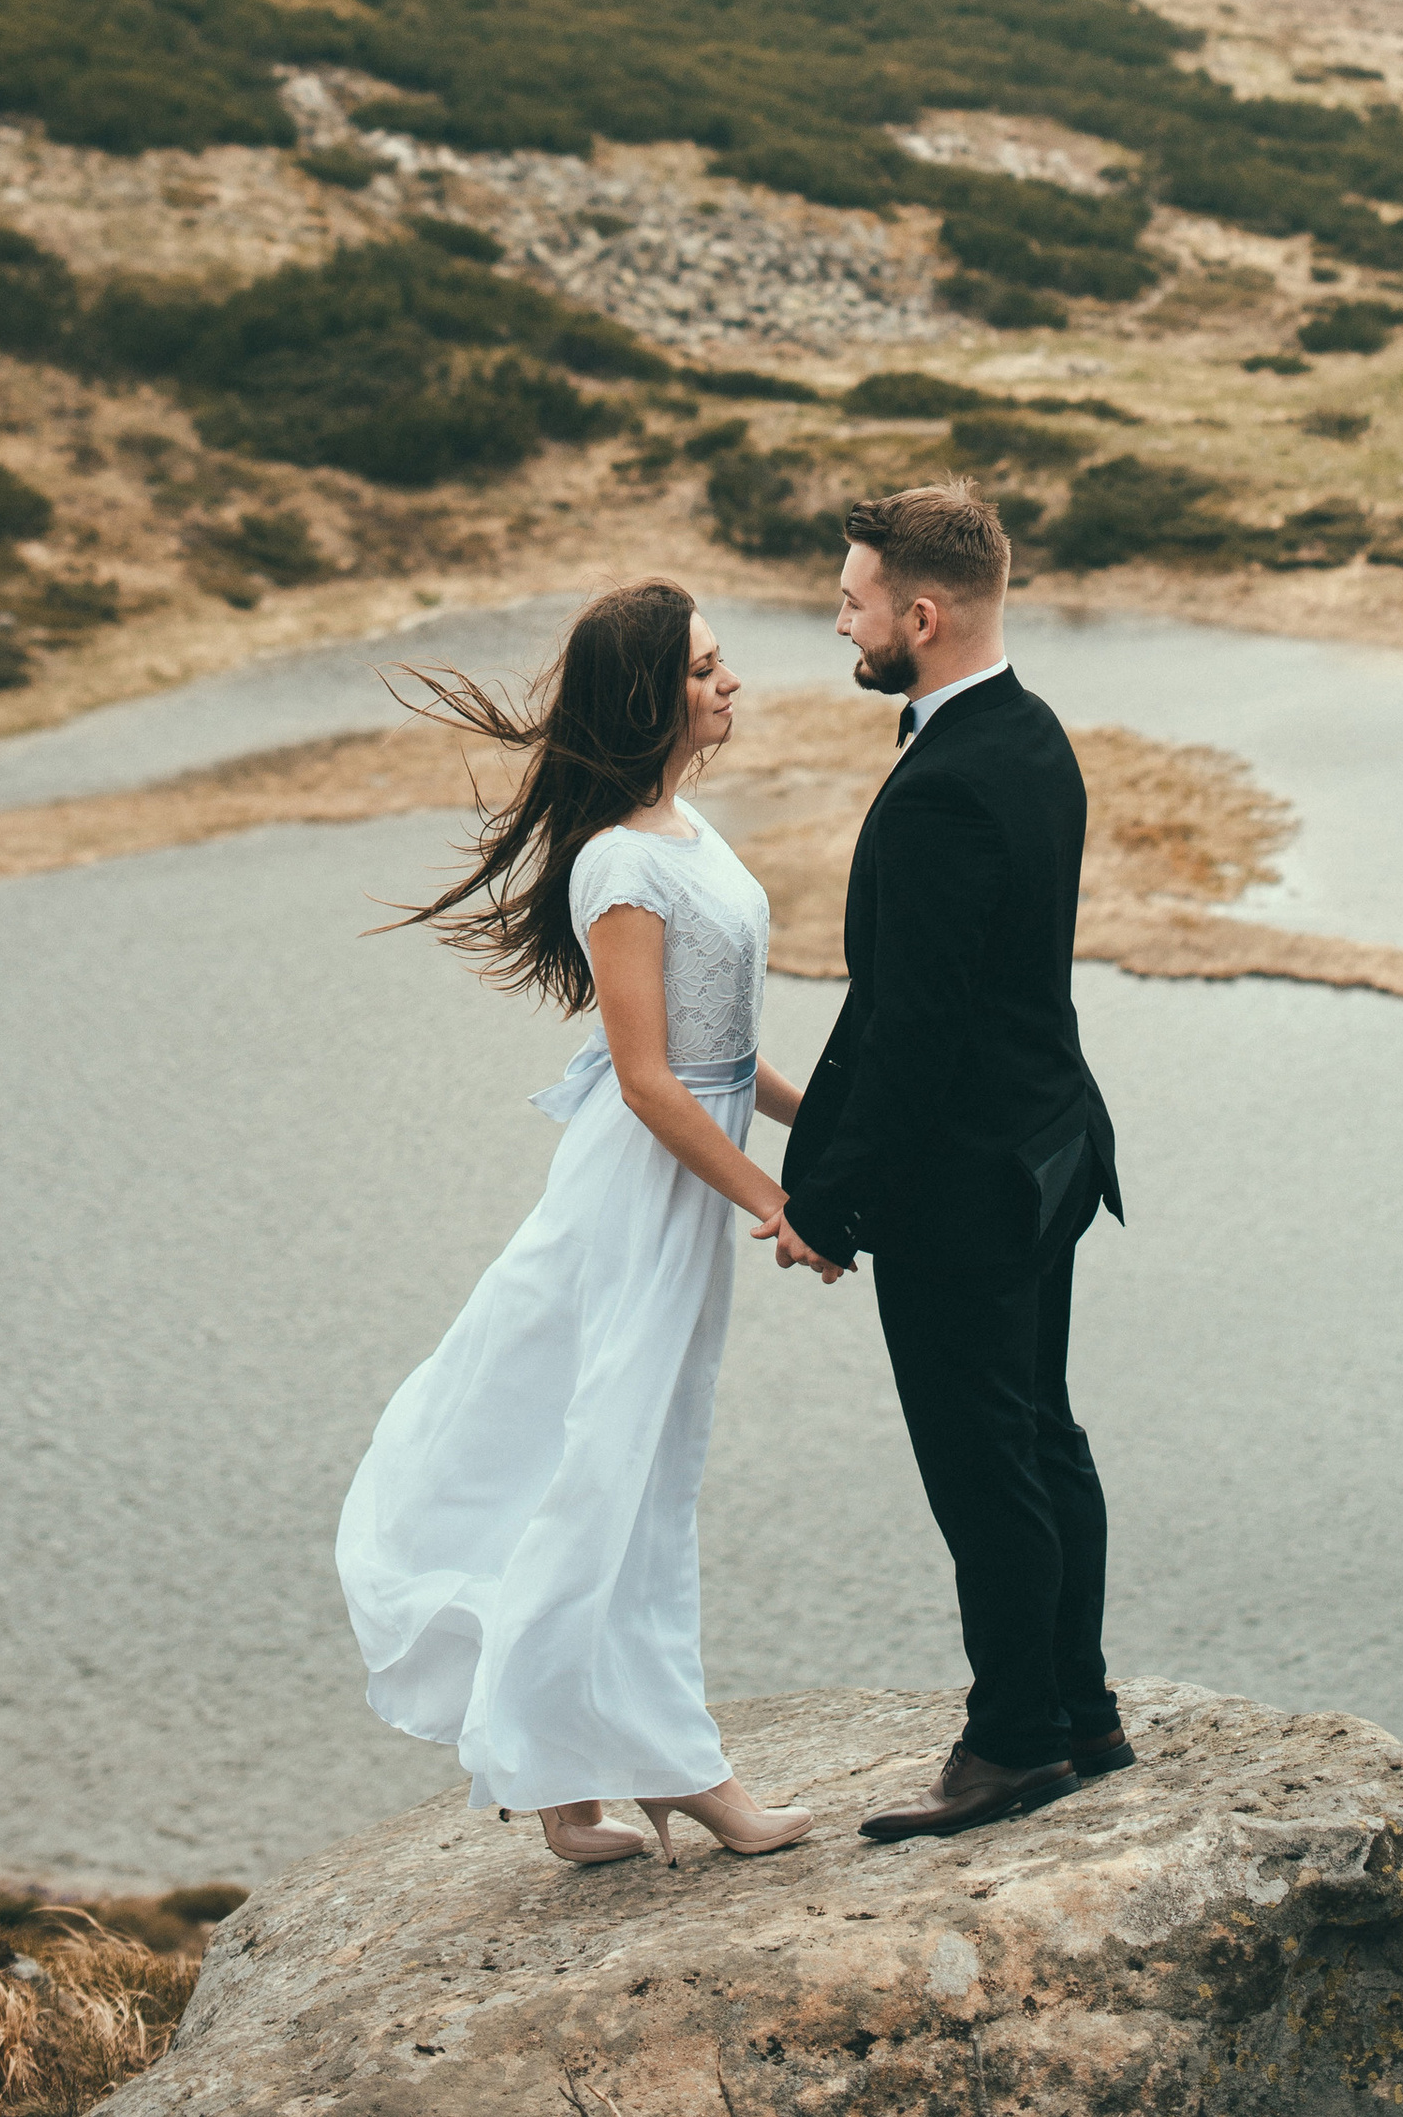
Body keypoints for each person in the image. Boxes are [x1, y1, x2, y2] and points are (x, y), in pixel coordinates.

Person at [336, 579, 816, 1868]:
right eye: (710, 670)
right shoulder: (617, 861)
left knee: (629, 1460)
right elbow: (651, 1079)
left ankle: (570, 1783)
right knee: (614, 1466)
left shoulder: (684, 825)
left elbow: (725, 1049)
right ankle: (678, 1773)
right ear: (657, 695)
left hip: (685, 1179)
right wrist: (774, 1199)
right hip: (642, 1191)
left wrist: (811, 1127)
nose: (733, 686)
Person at [769, 483, 1129, 1840]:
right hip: (1047, 1151)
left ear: (921, 617)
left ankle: (1015, 1741)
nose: (840, 620)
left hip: (970, 1187)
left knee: (986, 1463)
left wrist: (834, 1206)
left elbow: (911, 1026)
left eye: (854, 601)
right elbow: (935, 1003)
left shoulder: (943, 788)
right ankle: (1081, 1709)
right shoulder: (1032, 738)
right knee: (1043, 1433)